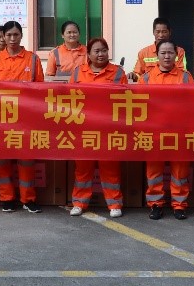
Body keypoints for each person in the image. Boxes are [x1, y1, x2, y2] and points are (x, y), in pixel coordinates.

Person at [0, 20, 45, 213]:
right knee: (2, 160)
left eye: (16, 35)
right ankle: (7, 199)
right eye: (8, 35)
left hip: (26, 118)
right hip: (1, 118)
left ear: (21, 36)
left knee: (26, 160)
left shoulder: (33, 59)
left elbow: (40, 89)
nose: (12, 38)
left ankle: (28, 199)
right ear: (3, 37)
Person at [68, 38, 126, 218]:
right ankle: (79, 203)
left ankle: (114, 204)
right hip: (84, 128)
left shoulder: (118, 72)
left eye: (104, 50)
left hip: (108, 128)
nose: (101, 54)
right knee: (83, 168)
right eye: (96, 51)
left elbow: (125, 99)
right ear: (89, 54)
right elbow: (69, 98)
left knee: (110, 167)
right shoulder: (78, 72)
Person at [141, 39, 194, 219]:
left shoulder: (185, 77)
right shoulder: (146, 78)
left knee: (180, 170)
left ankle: (179, 205)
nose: (166, 56)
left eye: (170, 52)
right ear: (156, 55)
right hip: (154, 130)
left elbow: (193, 103)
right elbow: (140, 105)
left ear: (176, 55)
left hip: (179, 130)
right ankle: (155, 204)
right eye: (163, 53)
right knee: (154, 170)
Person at [130, 16, 186, 82]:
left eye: (164, 32)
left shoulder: (179, 51)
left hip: (172, 85)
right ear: (153, 32)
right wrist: (133, 76)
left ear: (170, 32)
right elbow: (138, 74)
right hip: (151, 87)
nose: (161, 35)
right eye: (158, 32)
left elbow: (182, 74)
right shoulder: (143, 52)